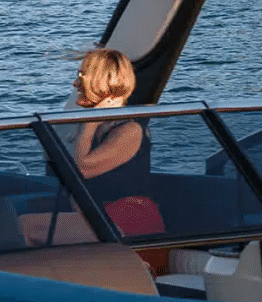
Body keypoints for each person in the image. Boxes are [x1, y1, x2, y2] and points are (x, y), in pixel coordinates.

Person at [21, 47, 164, 245]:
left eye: (82, 77)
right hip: (98, 214)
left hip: (130, 219)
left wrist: (90, 121)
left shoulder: (129, 131)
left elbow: (82, 169)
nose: (75, 83)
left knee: (26, 227)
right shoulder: (96, 128)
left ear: (102, 82)